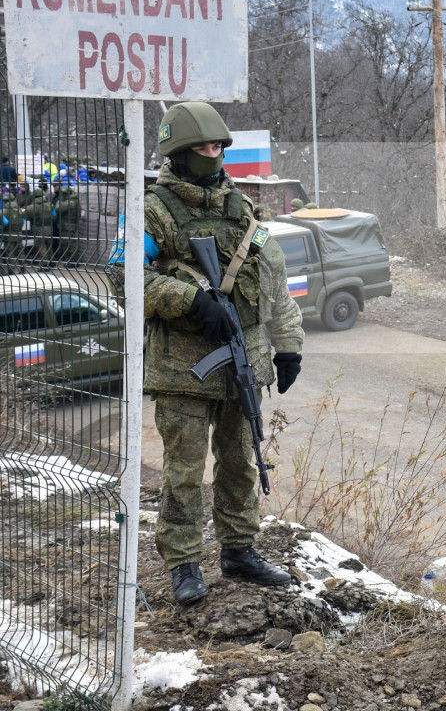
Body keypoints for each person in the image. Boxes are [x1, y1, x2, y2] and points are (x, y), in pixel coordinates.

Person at [108, 101, 304, 606]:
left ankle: (240, 551)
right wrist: (190, 301)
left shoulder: (242, 208)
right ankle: (184, 562)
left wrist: (288, 346)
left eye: (218, 146)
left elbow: (273, 281)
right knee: (184, 472)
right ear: (178, 151)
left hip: (244, 360)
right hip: (183, 368)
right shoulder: (154, 210)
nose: (212, 155)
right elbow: (121, 276)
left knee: (241, 462)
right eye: (201, 148)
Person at [54, 185, 82, 266]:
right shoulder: (73, 200)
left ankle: (74, 261)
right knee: (67, 243)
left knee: (70, 244)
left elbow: (58, 208)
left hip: (68, 226)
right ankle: (72, 260)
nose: (61, 196)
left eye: (63, 194)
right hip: (67, 225)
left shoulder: (71, 202)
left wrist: (60, 201)